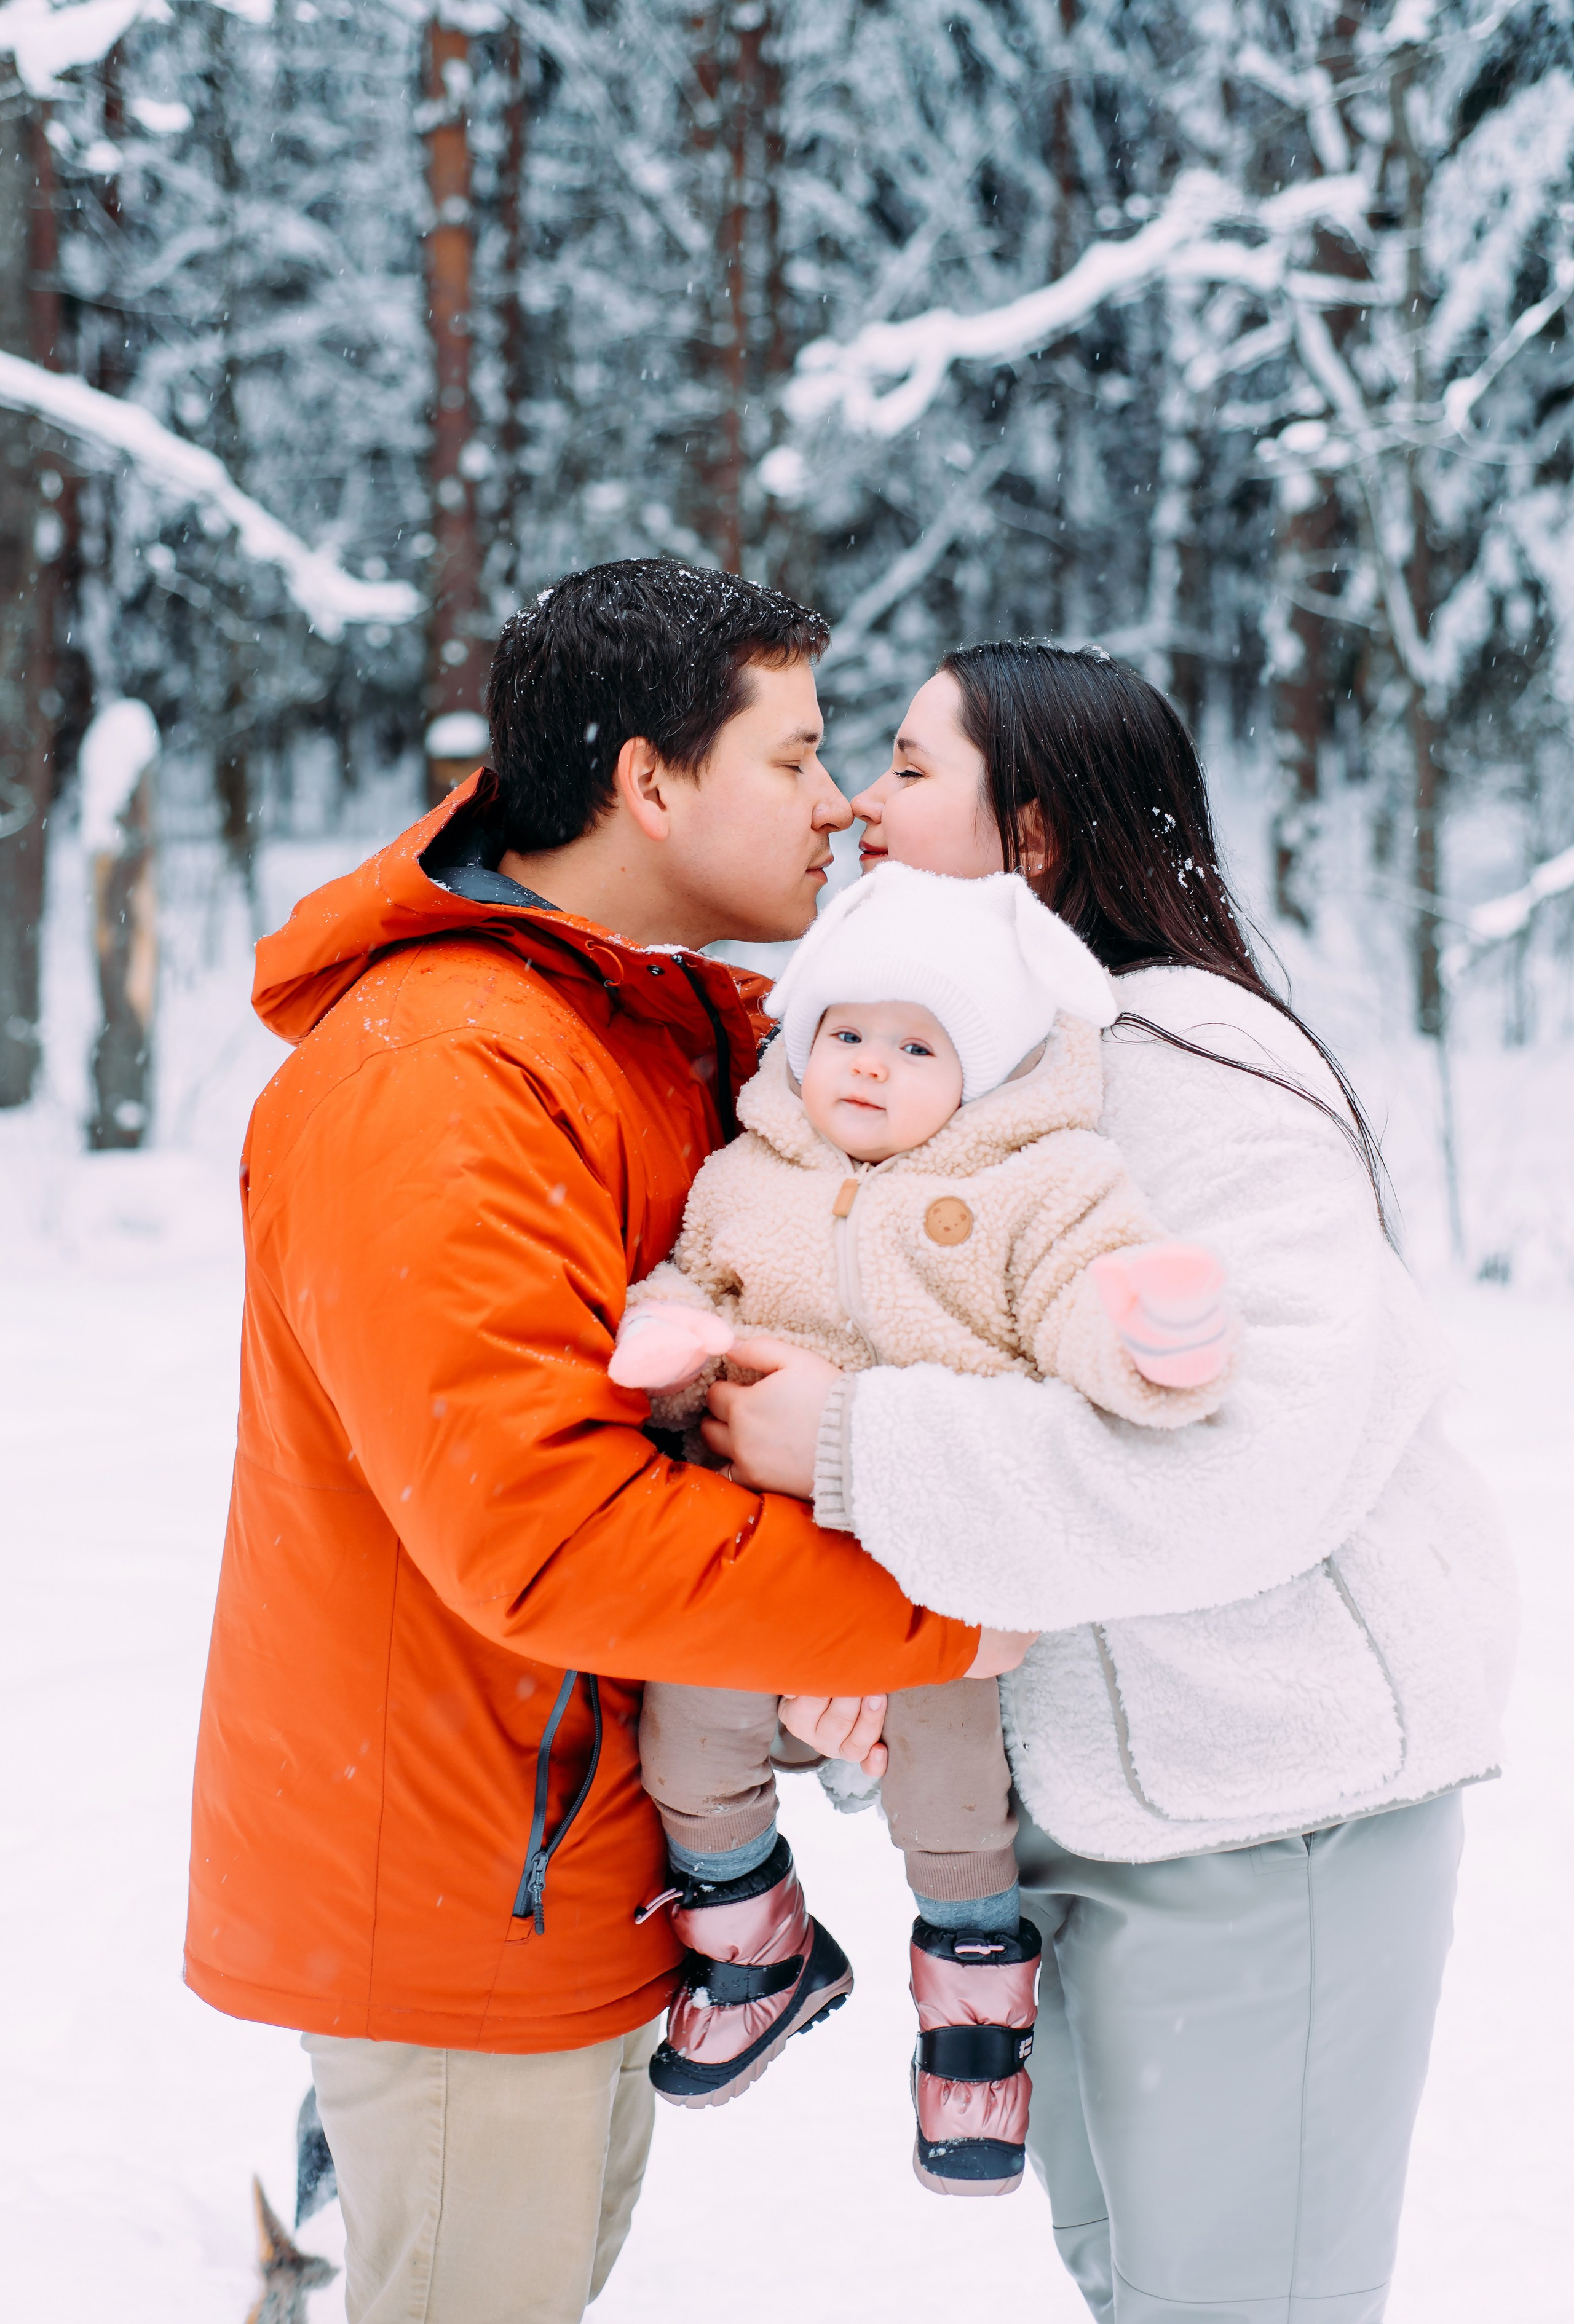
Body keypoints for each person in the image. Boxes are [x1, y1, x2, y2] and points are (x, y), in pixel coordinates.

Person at [183, 561, 1025, 2324]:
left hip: (555, 1856)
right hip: (458, 1879)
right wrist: (936, 1618)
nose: (841, 803)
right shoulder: (442, 1072)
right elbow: (544, 1529)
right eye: (796, 759)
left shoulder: (618, 1028)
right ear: (650, 784)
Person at [705, 644, 1515, 2324]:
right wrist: (858, 1636)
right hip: (1079, 1803)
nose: (859, 796)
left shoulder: (1194, 1061)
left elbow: (1257, 1461)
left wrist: (853, 1446)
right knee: (1147, 2280)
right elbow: (954, 1363)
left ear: (1038, 837)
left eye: (913, 768)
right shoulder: (947, 1070)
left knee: (1239, 2299)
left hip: (1264, 1812)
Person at [613, 861, 1233, 2196]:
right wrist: (673, 1344)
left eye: (915, 1045)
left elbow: (1080, 1291)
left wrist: (1144, 1335)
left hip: (940, 1562)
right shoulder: (749, 1170)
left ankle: (971, 2029)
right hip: (754, 1552)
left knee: (953, 1795)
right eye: (845, 1032)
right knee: (686, 1723)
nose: (871, 1068)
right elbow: (686, 1281)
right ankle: (749, 1934)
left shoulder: (1033, 1184)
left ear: (990, 1067)